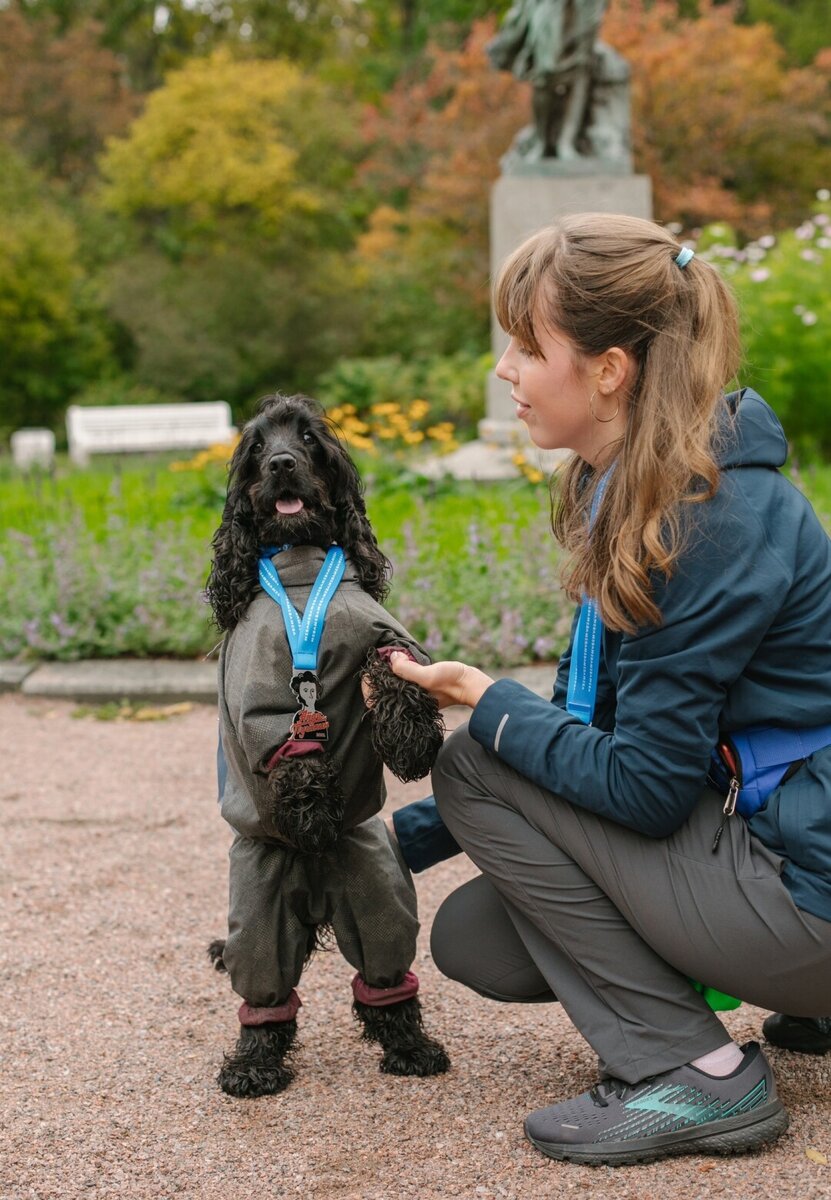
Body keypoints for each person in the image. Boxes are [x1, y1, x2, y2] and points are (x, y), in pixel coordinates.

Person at [378, 212, 831, 1167]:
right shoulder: (656, 482)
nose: (506, 369)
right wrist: (382, 848)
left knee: (475, 760)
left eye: (527, 344)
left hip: (810, 890)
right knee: (482, 938)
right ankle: (792, 1001)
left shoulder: (701, 521)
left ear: (609, 370)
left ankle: (699, 1078)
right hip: (790, 845)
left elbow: (643, 786)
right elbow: (597, 731)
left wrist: (486, 700)